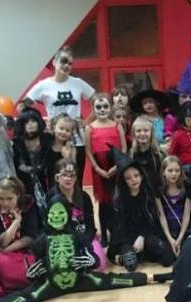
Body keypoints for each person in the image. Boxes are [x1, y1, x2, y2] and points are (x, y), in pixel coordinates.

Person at [0, 193, 150, 302]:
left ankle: (151, 277)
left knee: (112, 281)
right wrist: (33, 273)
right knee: (27, 296)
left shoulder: (77, 235)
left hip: (79, 279)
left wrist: (88, 261)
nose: (56, 218)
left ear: (68, 215)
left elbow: (94, 259)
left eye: (60, 214)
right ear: (47, 216)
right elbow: (36, 268)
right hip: (51, 283)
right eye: (53, 215)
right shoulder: (41, 241)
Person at [20, 46, 95, 177]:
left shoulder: (78, 83)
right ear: (54, 62)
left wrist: (87, 121)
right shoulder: (43, 85)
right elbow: (22, 106)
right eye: (63, 61)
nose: (66, 65)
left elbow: (97, 99)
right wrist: (40, 123)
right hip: (54, 140)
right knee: (54, 176)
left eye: (70, 63)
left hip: (77, 139)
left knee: (76, 177)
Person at [107, 148, 175, 271]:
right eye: (128, 178)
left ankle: (143, 253)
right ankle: (134, 254)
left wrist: (142, 237)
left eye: (136, 176)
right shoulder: (120, 199)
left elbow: (154, 220)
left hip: (147, 233)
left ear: (142, 176)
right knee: (130, 264)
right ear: (124, 181)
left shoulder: (148, 194)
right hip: (128, 237)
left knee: (168, 259)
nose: (133, 180)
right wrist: (126, 245)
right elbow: (119, 228)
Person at [85, 92, 127, 246]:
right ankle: (103, 233)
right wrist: (97, 169)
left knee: (116, 200)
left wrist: (117, 166)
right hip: (100, 170)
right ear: (93, 108)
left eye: (105, 106)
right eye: (98, 107)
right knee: (103, 202)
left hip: (116, 167)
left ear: (110, 107)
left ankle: (117, 231)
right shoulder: (89, 128)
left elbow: (123, 148)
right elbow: (88, 151)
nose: (102, 109)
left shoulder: (117, 126)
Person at [0, 177, 40, 292]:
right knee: (1, 262)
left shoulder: (28, 207)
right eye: (1, 198)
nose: (5, 203)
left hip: (25, 249)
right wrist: (16, 222)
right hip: (4, 254)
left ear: (18, 196)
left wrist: (6, 250)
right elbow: (2, 242)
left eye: (10, 199)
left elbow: (29, 237)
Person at [13, 108, 54, 216]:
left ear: (38, 122)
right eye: (26, 122)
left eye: (33, 121)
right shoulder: (16, 142)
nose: (30, 124)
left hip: (45, 179)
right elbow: (15, 164)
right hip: (24, 181)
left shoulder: (47, 139)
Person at [156, 156, 191, 257]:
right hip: (167, 229)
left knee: (187, 253)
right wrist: (170, 239)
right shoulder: (159, 190)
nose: (174, 174)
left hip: (184, 229)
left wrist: (180, 239)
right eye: (170, 170)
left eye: (177, 170)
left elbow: (186, 215)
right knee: (167, 259)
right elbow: (161, 216)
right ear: (163, 172)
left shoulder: (187, 187)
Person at [130, 74, 174, 145]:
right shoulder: (139, 120)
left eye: (150, 102)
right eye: (145, 103)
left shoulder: (165, 119)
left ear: (156, 103)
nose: (148, 105)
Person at [129, 115, 164, 193]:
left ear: (151, 133)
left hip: (155, 194)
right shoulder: (130, 155)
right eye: (138, 131)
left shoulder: (159, 154)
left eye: (146, 130)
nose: (142, 134)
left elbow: (161, 178)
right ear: (134, 134)